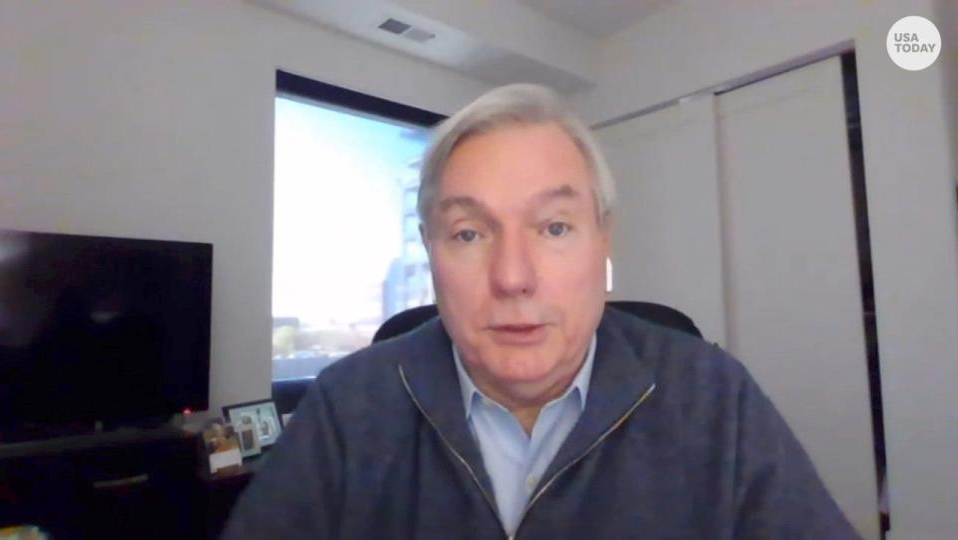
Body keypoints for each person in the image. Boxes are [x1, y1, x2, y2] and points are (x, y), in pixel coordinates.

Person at [223, 84, 859, 539]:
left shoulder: (716, 398)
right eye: (470, 234)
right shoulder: (345, 409)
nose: (512, 278)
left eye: (554, 228)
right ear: (431, 253)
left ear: (603, 240)